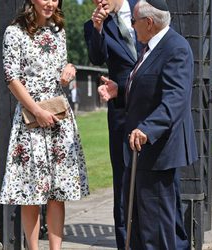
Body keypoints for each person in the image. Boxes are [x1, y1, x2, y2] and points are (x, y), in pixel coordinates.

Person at [98, 0, 198, 249]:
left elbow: (175, 99)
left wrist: (147, 129)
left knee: (158, 227)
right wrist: (120, 91)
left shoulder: (175, 48)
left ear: (149, 23)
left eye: (134, 21)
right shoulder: (150, 47)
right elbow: (148, 90)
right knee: (143, 224)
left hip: (158, 150)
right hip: (143, 152)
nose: (132, 27)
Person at [0, 0, 89, 249]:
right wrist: (36, 111)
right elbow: (11, 77)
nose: (51, 2)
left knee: (57, 193)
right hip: (30, 119)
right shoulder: (14, 32)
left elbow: (61, 70)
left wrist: (67, 72)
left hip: (59, 117)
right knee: (31, 192)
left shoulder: (58, 31)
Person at [84, 0, 142, 248]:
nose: (99, 1)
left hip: (151, 106)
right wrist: (97, 29)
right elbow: (97, 58)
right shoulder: (94, 25)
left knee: (153, 178)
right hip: (120, 112)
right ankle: (125, 243)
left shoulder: (144, 8)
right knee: (122, 180)